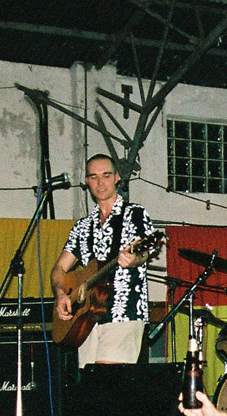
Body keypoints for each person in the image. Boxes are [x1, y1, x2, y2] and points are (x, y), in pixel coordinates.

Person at [50, 154, 157, 367]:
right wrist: (61, 294)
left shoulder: (134, 214)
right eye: (94, 177)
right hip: (87, 319)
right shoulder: (82, 227)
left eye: (106, 175)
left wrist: (134, 259)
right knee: (91, 384)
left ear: (117, 177)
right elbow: (59, 268)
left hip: (123, 313)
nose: (100, 183)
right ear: (87, 182)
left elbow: (143, 253)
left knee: (107, 380)